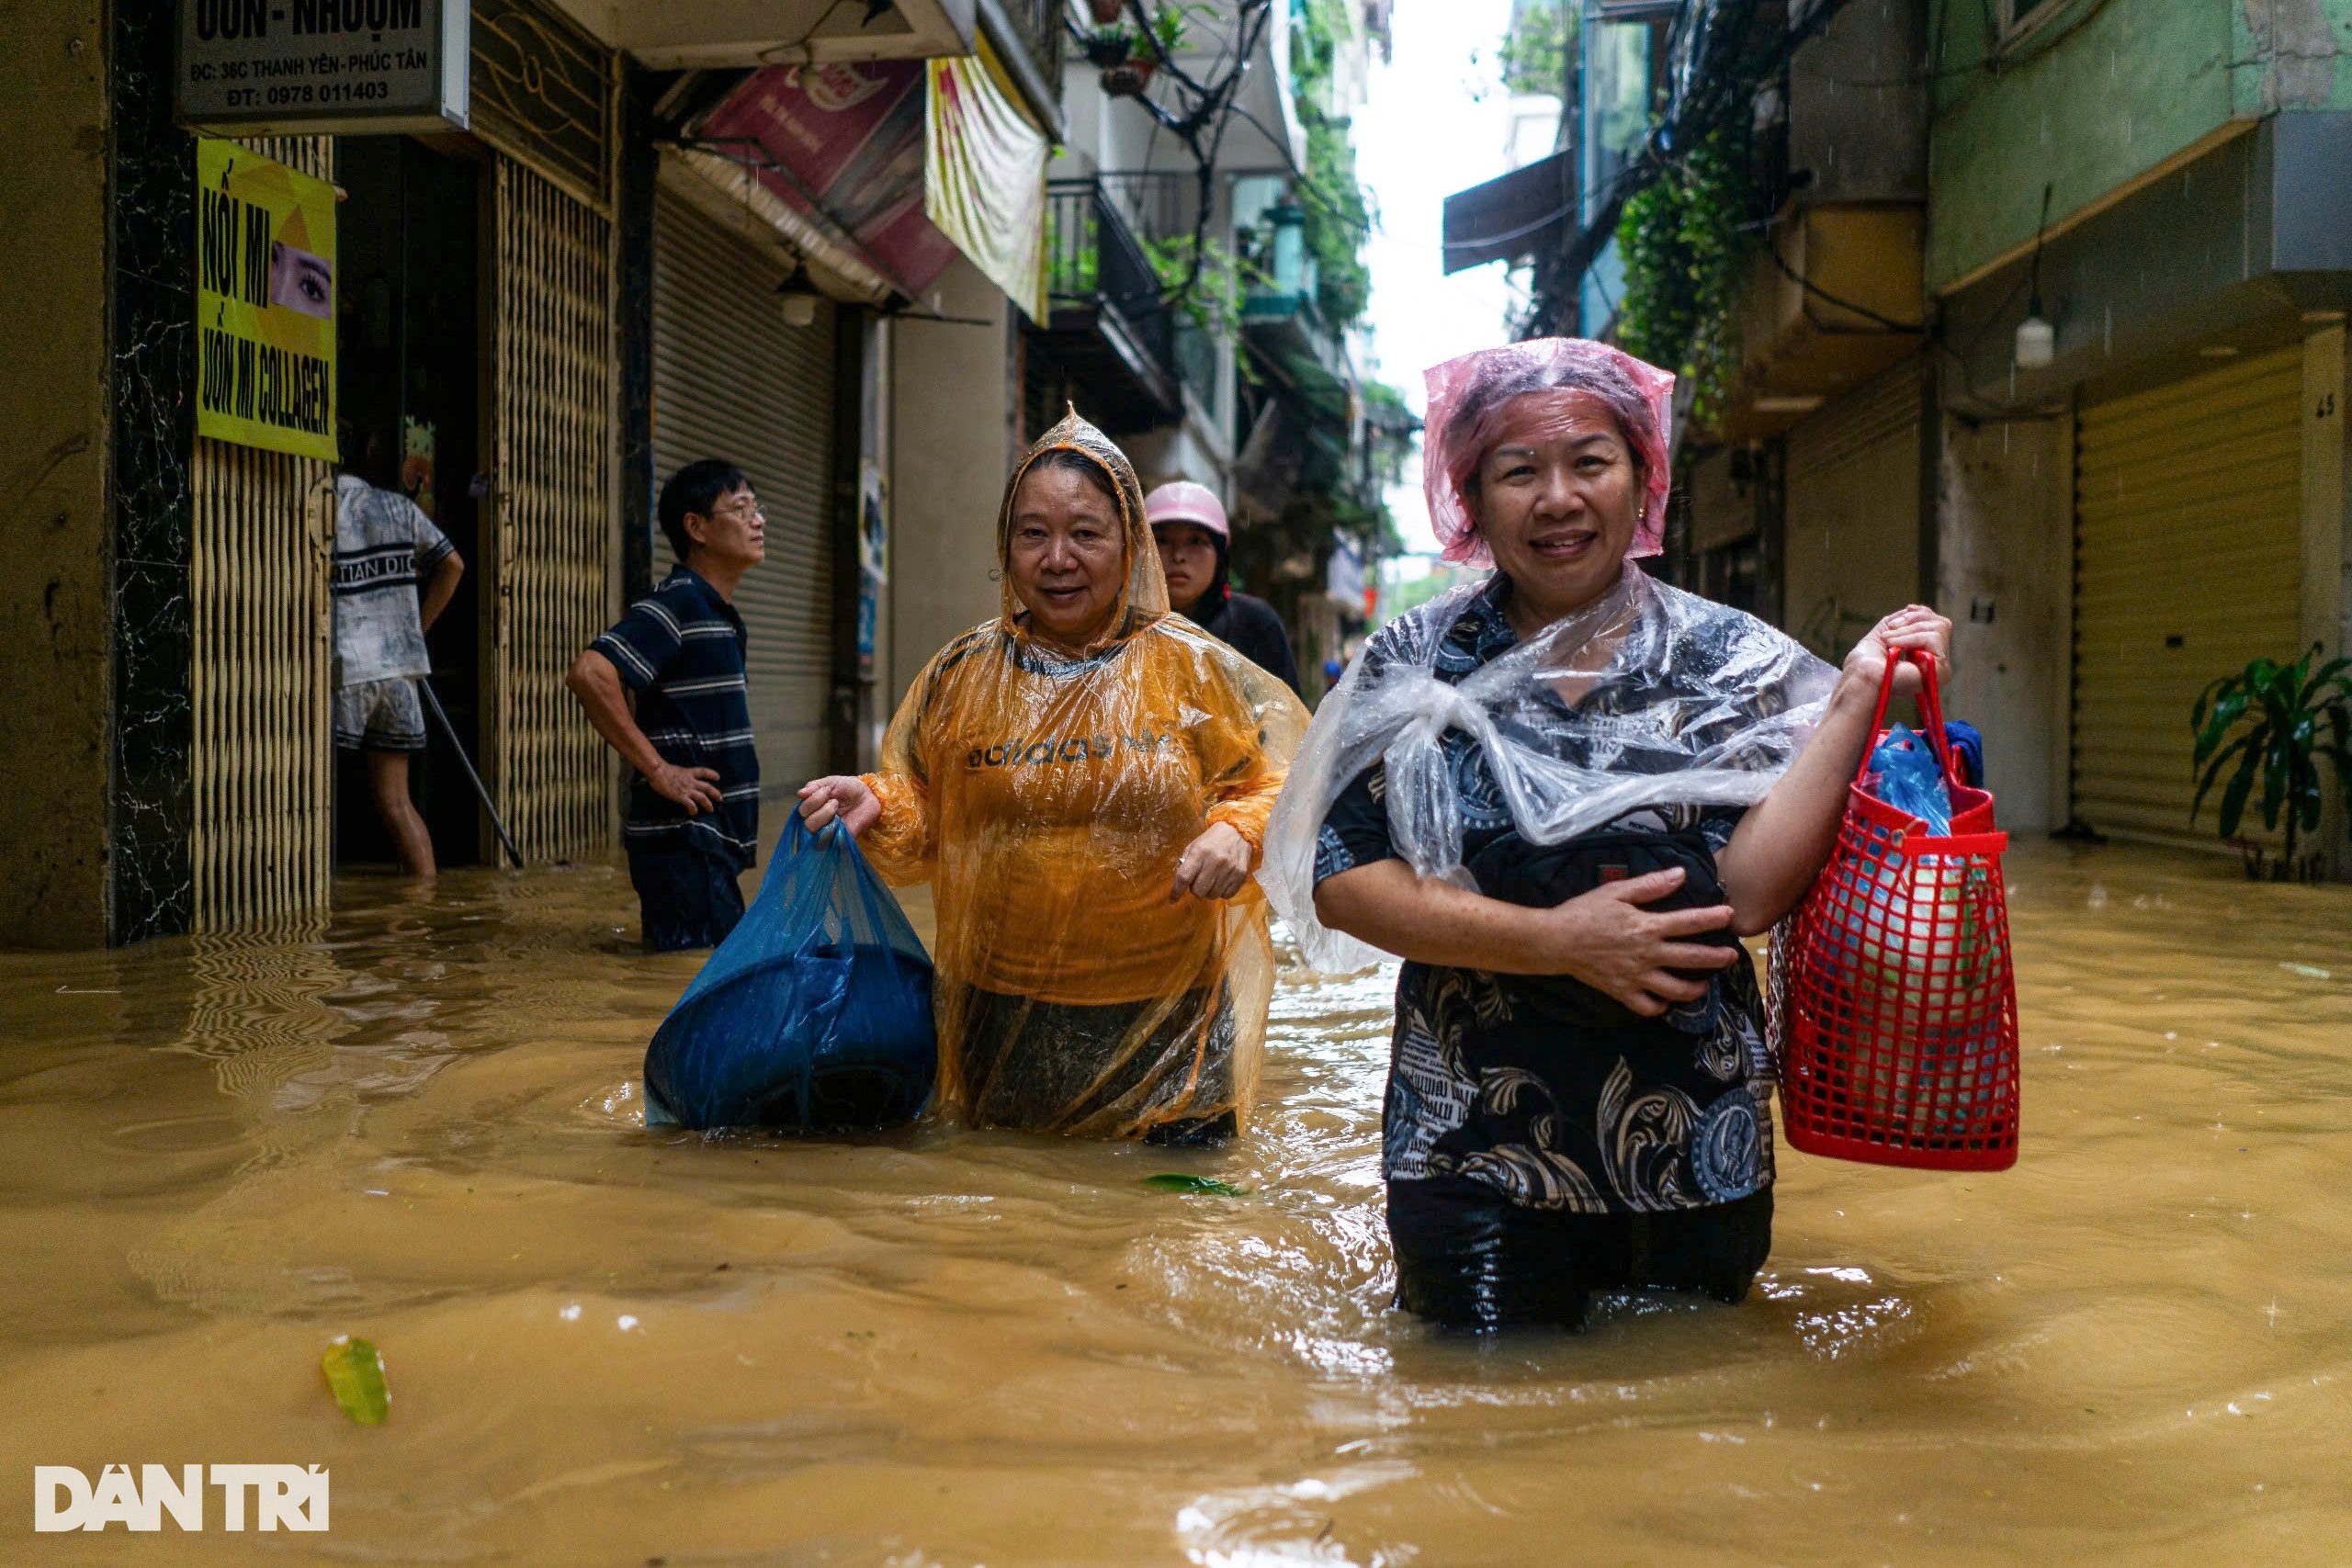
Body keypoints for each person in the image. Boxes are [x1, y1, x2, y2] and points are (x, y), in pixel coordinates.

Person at [1261, 340, 1952, 1333]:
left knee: (1690, 1441)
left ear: (1641, 480)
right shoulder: (1413, 665)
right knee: (1480, 1435)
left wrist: (1854, 696)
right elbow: (1339, 878)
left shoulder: (1730, 661)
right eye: (1517, 471)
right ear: (1469, 498)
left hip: (1695, 1148)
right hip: (1471, 1148)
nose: (1556, 499)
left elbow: (1748, 898)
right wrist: (1557, 943)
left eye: (1589, 462)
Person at [797, 410, 1308, 1144]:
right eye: (1033, 533)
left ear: (1129, 544)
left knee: (1173, 1227)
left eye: (1086, 534)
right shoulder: (961, 673)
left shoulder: (1191, 668)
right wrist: (873, 801)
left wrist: (1235, 830)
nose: (1057, 558)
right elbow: (929, 816)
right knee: (1010, 1222)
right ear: (1004, 548)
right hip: (1001, 1016)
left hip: (1169, 1018)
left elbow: (1279, 785)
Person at [567, 460, 766, 952]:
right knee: (694, 983)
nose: (758, 521)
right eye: (741, 509)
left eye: (758, 509)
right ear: (696, 527)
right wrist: (658, 769)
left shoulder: (718, 615)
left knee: (691, 978)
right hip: (685, 840)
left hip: (706, 843)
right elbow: (590, 673)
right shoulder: (678, 604)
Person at [332, 423, 464, 879]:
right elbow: (453, 564)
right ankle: (425, 906)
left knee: (314, 802)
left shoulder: (316, 508)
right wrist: (416, 631)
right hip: (400, 674)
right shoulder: (397, 507)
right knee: (397, 802)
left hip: (345, 674)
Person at [1146, 481, 1302, 694]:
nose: (1178, 556)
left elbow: (1289, 719)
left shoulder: (1255, 624)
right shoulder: (1116, 626)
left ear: (1220, 555)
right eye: (1162, 540)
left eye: (1196, 541)